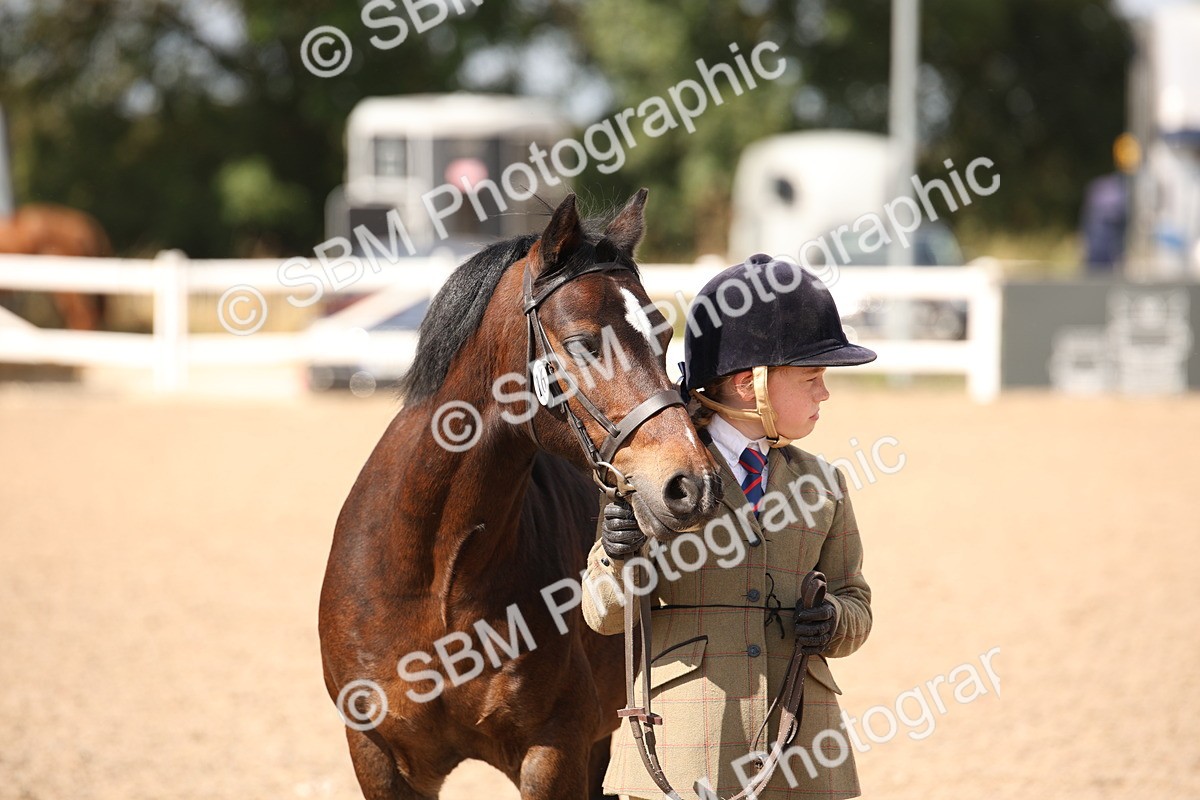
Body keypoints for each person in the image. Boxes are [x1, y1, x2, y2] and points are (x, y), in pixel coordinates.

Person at [581, 254, 875, 800]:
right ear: (750, 383)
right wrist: (619, 556)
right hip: (686, 735)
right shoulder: (654, 480)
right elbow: (603, 613)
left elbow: (856, 599)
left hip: (803, 738)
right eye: (812, 377)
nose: (824, 393)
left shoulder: (824, 483)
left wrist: (834, 620)